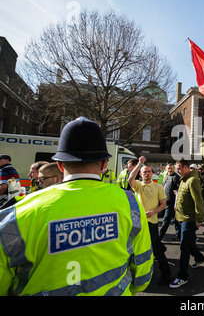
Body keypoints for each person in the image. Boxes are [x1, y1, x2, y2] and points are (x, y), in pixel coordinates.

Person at [0, 117, 153, 295]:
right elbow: (142, 272)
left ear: (59, 165)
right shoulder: (130, 202)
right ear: (104, 164)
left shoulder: (17, 214)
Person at [129, 156, 171, 285]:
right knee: (135, 249)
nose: (146, 174)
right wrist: (139, 164)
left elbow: (163, 204)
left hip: (151, 223)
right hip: (138, 223)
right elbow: (130, 179)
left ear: (152, 173)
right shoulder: (138, 185)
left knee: (157, 250)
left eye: (148, 171)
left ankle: (166, 273)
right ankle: (136, 273)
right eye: (144, 172)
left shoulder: (158, 187)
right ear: (140, 175)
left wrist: (152, 212)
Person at [170, 158, 204, 289]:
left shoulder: (192, 180)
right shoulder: (184, 179)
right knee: (187, 243)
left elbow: (199, 201)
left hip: (189, 219)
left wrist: (199, 219)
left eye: (179, 168)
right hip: (180, 217)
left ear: (186, 167)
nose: (177, 171)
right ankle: (199, 257)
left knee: (184, 247)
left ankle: (182, 276)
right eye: (176, 168)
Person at [159, 162, 181, 241]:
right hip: (166, 201)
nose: (170, 170)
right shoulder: (166, 177)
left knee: (166, 221)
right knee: (175, 220)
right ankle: (179, 235)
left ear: (174, 169)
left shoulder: (176, 177)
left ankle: (159, 237)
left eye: (171, 168)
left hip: (172, 203)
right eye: (168, 168)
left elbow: (179, 190)